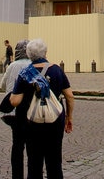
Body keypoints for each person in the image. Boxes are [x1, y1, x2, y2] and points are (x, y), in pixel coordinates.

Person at [9, 38, 74, 179]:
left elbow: (14, 101)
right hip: (55, 120)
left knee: (34, 162)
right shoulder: (57, 70)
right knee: (55, 161)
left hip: (33, 122)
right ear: (45, 52)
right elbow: (69, 96)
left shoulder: (25, 73)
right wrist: (69, 117)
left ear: (28, 54)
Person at [0, 39, 31, 179]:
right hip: (29, 112)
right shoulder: (33, 64)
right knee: (32, 146)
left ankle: (16, 176)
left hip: (13, 111)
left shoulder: (12, 66)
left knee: (17, 146)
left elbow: (2, 85)